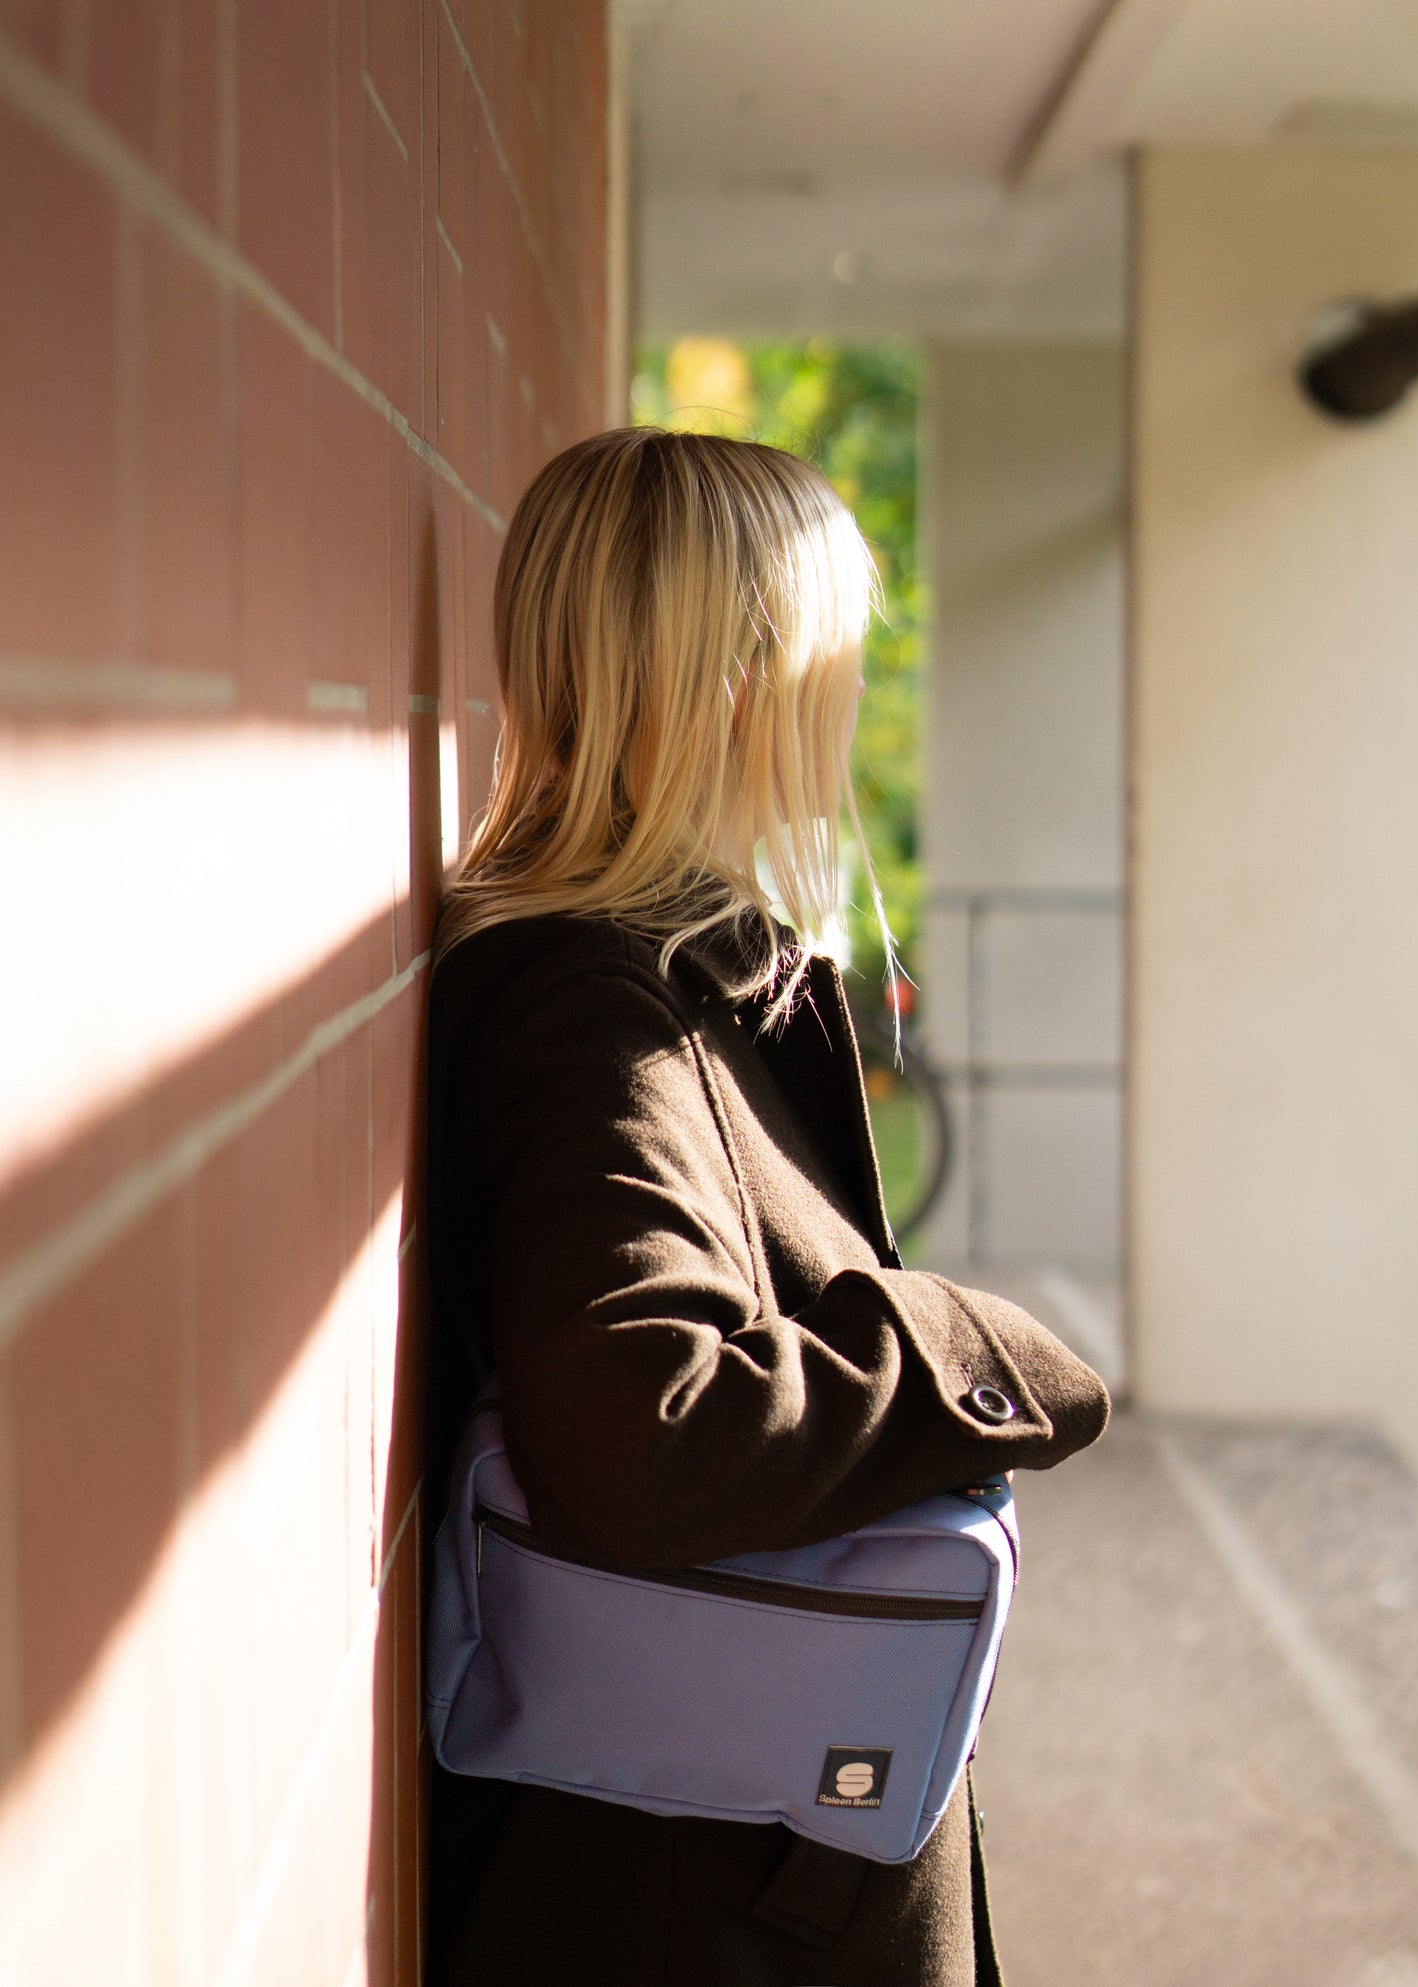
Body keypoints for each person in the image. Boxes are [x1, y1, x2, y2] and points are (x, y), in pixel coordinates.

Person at [422, 427, 1110, 1987]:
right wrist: (971, 1345)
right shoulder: (594, 1011)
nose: (851, 692)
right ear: (743, 673)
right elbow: (648, 1426)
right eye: (834, 653)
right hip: (688, 1904)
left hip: (726, 1851)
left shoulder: (661, 973)